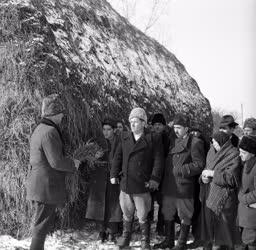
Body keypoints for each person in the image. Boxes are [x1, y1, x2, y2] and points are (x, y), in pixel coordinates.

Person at [26, 94, 81, 250]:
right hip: (45, 187)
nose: (63, 116)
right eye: (61, 113)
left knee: (40, 224)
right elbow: (56, 161)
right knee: (41, 226)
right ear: (54, 114)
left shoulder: (40, 128)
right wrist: (73, 164)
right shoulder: (50, 131)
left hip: (40, 185)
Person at [110, 107, 164, 250]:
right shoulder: (125, 137)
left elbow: (159, 160)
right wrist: (113, 174)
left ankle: (145, 239)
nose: (132, 124)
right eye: (131, 122)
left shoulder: (153, 138)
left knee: (143, 214)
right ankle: (126, 236)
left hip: (142, 184)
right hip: (127, 183)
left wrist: (154, 179)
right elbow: (118, 157)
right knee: (126, 212)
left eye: (136, 121)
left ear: (144, 123)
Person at [154, 113, 206, 250]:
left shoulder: (195, 142)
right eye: (175, 127)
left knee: (185, 215)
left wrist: (182, 170)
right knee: (168, 212)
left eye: (179, 127)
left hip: (183, 186)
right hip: (169, 185)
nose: (176, 130)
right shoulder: (173, 141)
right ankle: (169, 240)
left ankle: (181, 243)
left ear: (187, 128)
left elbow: (200, 164)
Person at [198, 131, 241, 250]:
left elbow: (231, 178)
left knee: (223, 235)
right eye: (212, 142)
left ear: (223, 143)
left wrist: (212, 173)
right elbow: (206, 169)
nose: (213, 144)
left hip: (224, 199)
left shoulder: (233, 155)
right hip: (209, 196)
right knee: (209, 232)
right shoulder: (211, 152)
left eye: (215, 142)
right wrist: (203, 178)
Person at [86, 117, 122, 243]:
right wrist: (94, 158)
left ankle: (112, 231)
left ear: (114, 130)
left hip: (114, 177)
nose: (106, 132)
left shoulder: (119, 141)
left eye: (109, 129)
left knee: (113, 204)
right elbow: (90, 161)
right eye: (104, 129)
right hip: (100, 177)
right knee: (101, 204)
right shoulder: (98, 142)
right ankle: (101, 230)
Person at [238, 135, 256, 250]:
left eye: (243, 152)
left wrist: (243, 198)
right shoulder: (247, 163)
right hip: (246, 212)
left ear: (252, 153)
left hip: (252, 214)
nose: (240, 154)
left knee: (251, 242)